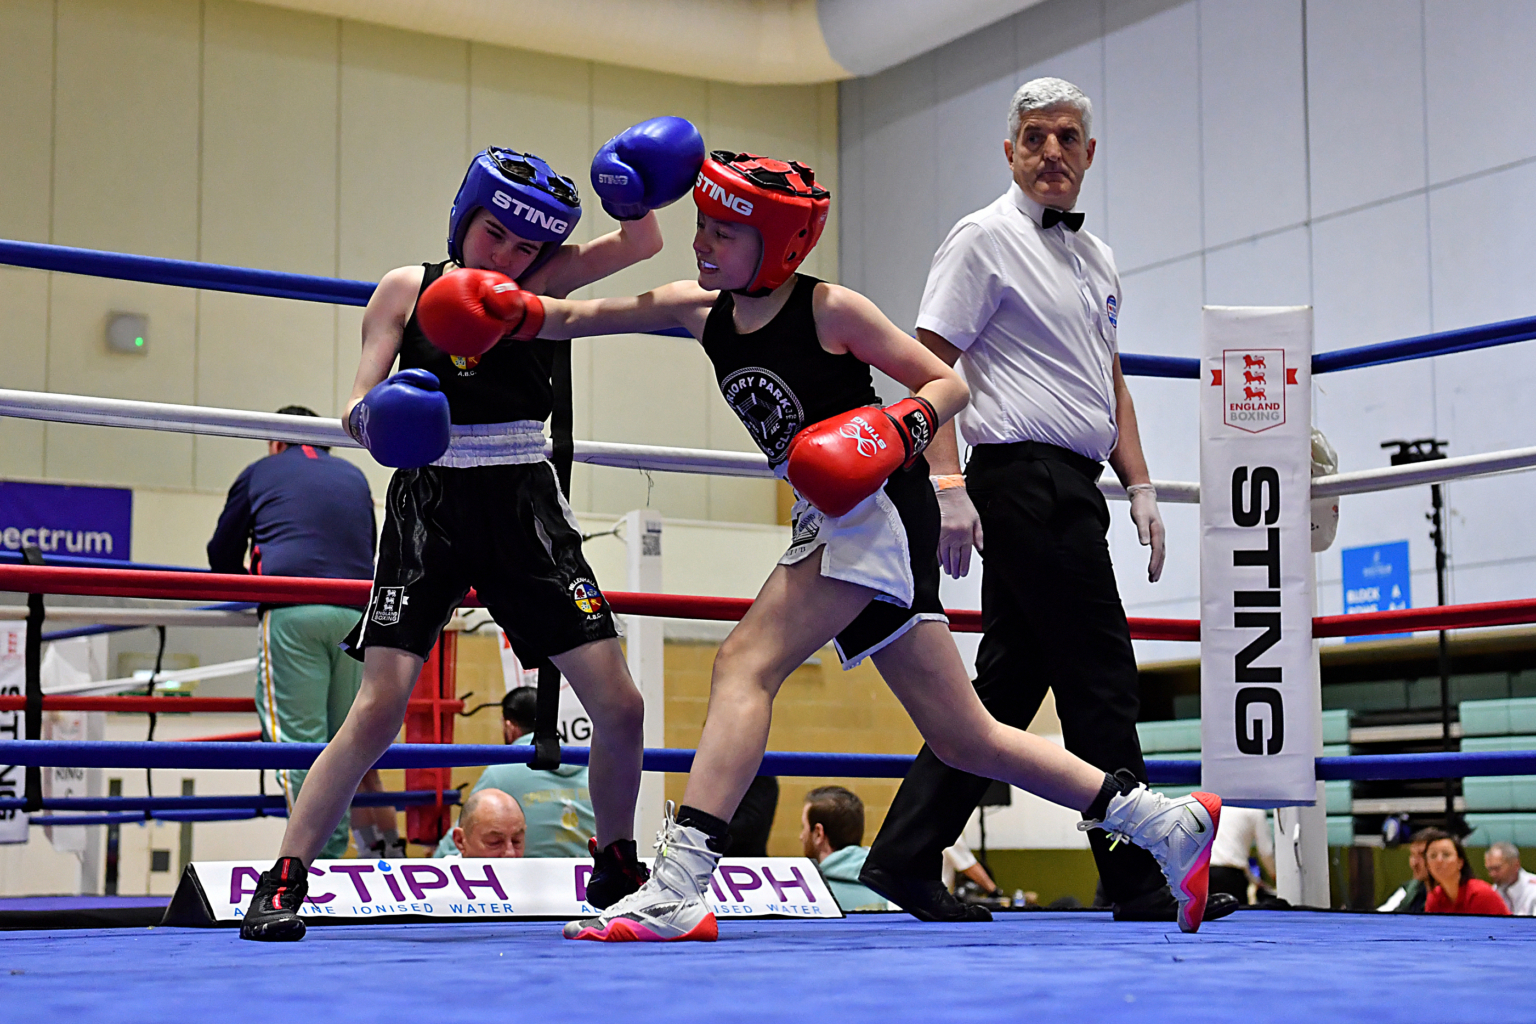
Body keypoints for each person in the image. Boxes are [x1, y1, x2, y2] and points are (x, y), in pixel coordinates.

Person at [431, 148, 1222, 943]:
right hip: (837, 512)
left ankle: (678, 886)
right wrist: (506, 309)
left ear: (776, 245)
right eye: (701, 225)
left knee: (744, 662)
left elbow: (947, 383)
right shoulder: (697, 308)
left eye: (723, 232)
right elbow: (577, 317)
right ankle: (1163, 821)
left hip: (875, 501)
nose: (702, 243)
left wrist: (892, 428)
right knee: (966, 735)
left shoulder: (831, 309)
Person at [239, 118, 706, 942]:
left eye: (526, 247)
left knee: (622, 705)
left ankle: (618, 863)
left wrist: (632, 189)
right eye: (495, 233)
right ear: (464, 217)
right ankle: (286, 877)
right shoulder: (405, 289)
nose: (509, 257)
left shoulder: (546, 283)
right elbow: (354, 403)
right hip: (431, 502)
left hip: (525, 502)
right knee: (378, 708)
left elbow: (641, 245)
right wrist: (383, 417)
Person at [856, 76, 1235, 928]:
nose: (1052, 151)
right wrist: (946, 483)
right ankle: (1141, 877)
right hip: (1018, 477)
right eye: (1035, 136)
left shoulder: (1095, 259)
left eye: (1067, 137)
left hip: (1075, 484)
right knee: (1100, 677)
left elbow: (1110, 382)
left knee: (1003, 692)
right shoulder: (982, 238)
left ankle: (905, 858)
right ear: (1011, 150)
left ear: (1089, 153)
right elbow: (926, 365)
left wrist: (1139, 483)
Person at [207, 407, 400, 860]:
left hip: (293, 612)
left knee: (300, 746)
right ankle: (373, 859)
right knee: (347, 743)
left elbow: (221, 552)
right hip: (356, 616)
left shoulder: (261, 471)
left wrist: (250, 588)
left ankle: (313, 863)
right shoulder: (353, 476)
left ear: (276, 442)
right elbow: (368, 545)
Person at [432, 686, 595, 858]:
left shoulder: (502, 771)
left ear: (509, 726)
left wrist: (430, 867)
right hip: (588, 879)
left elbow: (462, 837)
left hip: (528, 881)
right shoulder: (591, 768)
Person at [799, 786, 888, 912]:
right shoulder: (891, 888)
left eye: (803, 827)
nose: (801, 836)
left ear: (818, 833)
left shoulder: (806, 897)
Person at [1422, 830, 1509, 916]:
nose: (1439, 860)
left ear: (1460, 862)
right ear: (1427, 865)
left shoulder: (1481, 894)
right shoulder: (1433, 899)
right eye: (1433, 856)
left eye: (1446, 854)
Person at [1207, 806, 1274, 904]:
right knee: (1235, 916)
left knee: (1206, 917)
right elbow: (1266, 852)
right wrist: (1275, 877)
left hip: (1202, 874)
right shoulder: (1254, 810)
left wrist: (1254, 879)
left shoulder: (1210, 808)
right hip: (1231, 877)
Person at [442, 789, 526, 858]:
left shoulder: (534, 875)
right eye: (495, 842)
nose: (510, 853)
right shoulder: (441, 876)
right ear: (460, 841)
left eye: (516, 841)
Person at [1378, 830, 1433, 913]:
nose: (1415, 863)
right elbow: (1381, 914)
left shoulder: (1450, 894)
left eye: (1422, 855)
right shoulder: (1409, 888)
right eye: (1413, 855)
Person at [1484, 841, 1536, 916]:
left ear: (1516, 865)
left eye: (1497, 869)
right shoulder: (1494, 891)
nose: (1492, 874)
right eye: (1489, 869)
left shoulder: (1533, 890)